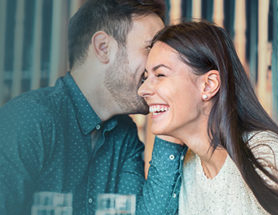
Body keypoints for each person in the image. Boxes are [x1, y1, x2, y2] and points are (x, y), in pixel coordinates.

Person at [0, 0, 187, 214]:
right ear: (103, 48)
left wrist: (167, 120)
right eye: (150, 49)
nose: (160, 63)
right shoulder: (28, 120)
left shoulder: (125, 136)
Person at [138, 21, 278, 215]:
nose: (143, 90)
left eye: (160, 74)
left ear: (208, 85)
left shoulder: (266, 155)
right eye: (146, 78)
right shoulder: (188, 167)